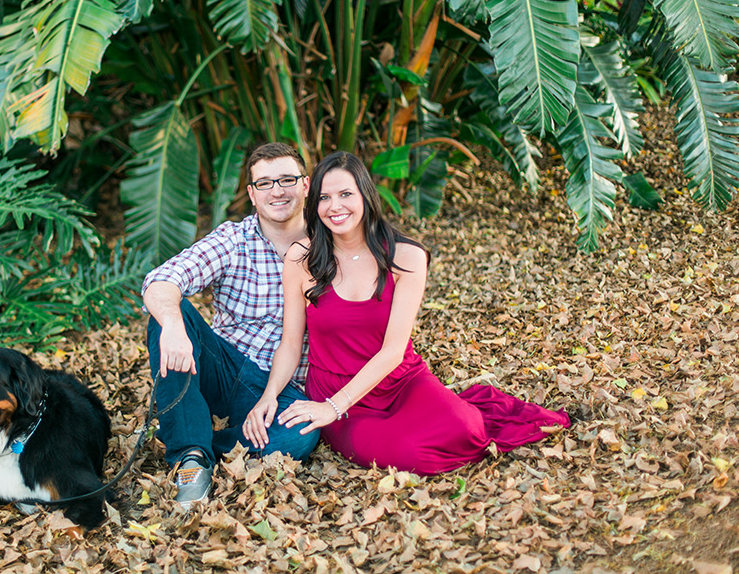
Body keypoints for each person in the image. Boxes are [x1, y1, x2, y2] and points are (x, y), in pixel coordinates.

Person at [243, 152, 569, 475]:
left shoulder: (407, 257)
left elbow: (393, 351)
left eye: (345, 194)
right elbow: (290, 343)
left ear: (365, 196)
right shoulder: (302, 257)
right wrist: (271, 396)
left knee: (468, 430)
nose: (335, 206)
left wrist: (332, 407)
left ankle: (475, 403)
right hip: (336, 391)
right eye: (325, 197)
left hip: (399, 380)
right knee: (412, 455)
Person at [143, 142, 320, 509]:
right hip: (225, 366)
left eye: (287, 180)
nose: (278, 191)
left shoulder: (328, 242)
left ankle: (204, 437)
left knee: (301, 437)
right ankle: (191, 458)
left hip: (283, 384)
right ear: (252, 195)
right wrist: (174, 326)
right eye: (265, 183)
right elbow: (162, 281)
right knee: (170, 315)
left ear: (305, 185)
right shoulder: (233, 240)